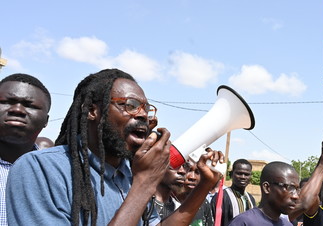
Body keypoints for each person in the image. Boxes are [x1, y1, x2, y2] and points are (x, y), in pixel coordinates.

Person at [6, 68, 223, 226]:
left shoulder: (129, 175)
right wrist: (144, 184)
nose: (141, 115)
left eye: (146, 109)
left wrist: (203, 187)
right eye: (129, 105)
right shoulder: (40, 169)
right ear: (92, 111)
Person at [230, 135, 323, 226]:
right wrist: (322, 166)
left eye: (297, 189)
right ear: (267, 188)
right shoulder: (245, 222)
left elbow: (306, 202)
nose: (295, 196)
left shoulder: (286, 223)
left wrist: (322, 165)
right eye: (290, 188)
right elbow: (304, 202)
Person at [0, 73, 51, 226]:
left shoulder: (56, 175)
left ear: (46, 121)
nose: (17, 110)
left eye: (30, 105)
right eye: (7, 102)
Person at [211, 159, 256, 226]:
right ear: (231, 174)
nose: (243, 177)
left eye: (246, 174)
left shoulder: (250, 199)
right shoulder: (221, 197)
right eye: (239, 173)